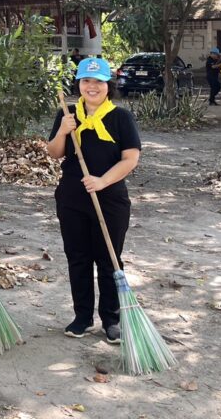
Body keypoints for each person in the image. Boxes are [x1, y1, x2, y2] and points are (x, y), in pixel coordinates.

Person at [47, 57, 141, 345]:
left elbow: (130, 158)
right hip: (72, 197)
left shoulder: (120, 118)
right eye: (86, 81)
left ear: (108, 85)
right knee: (78, 257)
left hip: (110, 198)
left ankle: (111, 319)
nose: (92, 86)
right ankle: (82, 316)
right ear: (79, 84)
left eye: (98, 81)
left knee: (109, 258)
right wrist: (63, 131)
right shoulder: (67, 113)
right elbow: (54, 152)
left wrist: (102, 181)